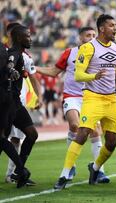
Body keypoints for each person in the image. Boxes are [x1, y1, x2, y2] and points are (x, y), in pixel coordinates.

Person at [53, 14, 116, 190]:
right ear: (102, 28)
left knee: (112, 142)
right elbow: (78, 74)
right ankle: (65, 173)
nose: (115, 28)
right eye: (112, 25)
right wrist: (94, 76)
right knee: (82, 133)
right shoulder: (88, 48)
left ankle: (95, 168)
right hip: (92, 97)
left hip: (111, 100)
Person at [36, 26, 110, 187]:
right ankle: (71, 167)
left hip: (91, 97)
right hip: (72, 96)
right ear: (80, 38)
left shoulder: (100, 53)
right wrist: (36, 69)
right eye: (87, 35)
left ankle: (99, 169)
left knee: (95, 131)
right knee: (75, 125)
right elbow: (55, 71)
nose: (91, 38)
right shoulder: (70, 53)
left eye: (93, 35)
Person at [4, 22, 42, 185]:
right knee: (5, 138)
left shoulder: (24, 56)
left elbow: (33, 77)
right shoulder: (10, 54)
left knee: (31, 134)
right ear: (18, 37)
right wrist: (11, 70)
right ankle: (19, 171)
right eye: (27, 36)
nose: (30, 39)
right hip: (5, 103)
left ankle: (18, 171)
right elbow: (10, 63)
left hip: (15, 103)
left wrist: (39, 97)